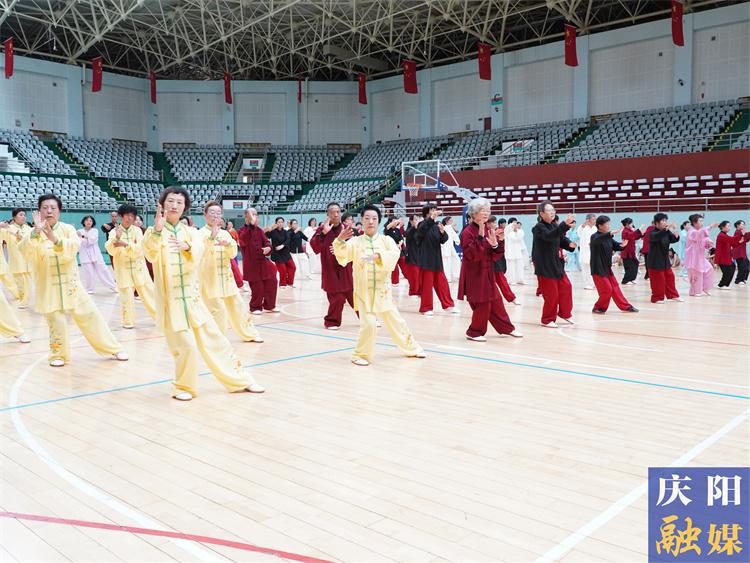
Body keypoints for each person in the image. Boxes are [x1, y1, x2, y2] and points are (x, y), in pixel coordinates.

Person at [143, 187, 264, 400]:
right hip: (171, 302)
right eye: (170, 201)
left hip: (193, 298)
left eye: (179, 202)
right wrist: (158, 231)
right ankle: (183, 387)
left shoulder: (191, 233)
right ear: (162, 205)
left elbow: (198, 253)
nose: (174, 205)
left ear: (185, 208)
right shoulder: (153, 232)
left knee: (215, 339)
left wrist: (187, 247)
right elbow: (150, 254)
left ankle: (240, 380)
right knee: (186, 346)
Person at [22, 195, 128, 367]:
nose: (49, 211)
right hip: (48, 286)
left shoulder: (68, 229)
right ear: (38, 212)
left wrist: (55, 240)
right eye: (45, 208)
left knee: (91, 316)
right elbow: (25, 252)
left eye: (53, 208)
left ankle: (113, 348)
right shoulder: (32, 233)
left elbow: (73, 248)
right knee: (56, 322)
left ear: (59, 211)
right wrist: (35, 233)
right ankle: (58, 354)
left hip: (71, 285)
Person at [332, 204, 426, 366]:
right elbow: (343, 256)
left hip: (383, 291)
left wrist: (378, 256)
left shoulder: (386, 240)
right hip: (363, 292)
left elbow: (394, 254)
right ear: (362, 220)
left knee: (396, 321)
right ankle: (360, 355)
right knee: (369, 324)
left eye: (374, 218)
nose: (370, 221)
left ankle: (412, 348)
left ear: (379, 221)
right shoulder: (355, 242)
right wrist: (339, 241)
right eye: (367, 218)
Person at [198, 201, 263, 343]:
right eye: (212, 212)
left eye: (218, 213)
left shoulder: (225, 233)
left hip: (227, 279)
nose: (215, 215)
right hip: (210, 280)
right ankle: (217, 339)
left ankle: (250, 333)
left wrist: (228, 244)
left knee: (238, 307)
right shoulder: (199, 234)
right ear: (205, 215)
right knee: (218, 310)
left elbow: (233, 253)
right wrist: (211, 238)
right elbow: (199, 253)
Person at [458, 200, 522, 341]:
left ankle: (507, 328)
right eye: (483, 210)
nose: (486, 213)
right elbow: (472, 255)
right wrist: (480, 237)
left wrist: (496, 245)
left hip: (488, 272)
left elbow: (495, 255)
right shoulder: (467, 232)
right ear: (474, 213)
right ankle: (474, 332)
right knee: (483, 303)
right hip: (475, 274)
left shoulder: (488, 230)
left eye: (488, 210)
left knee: (496, 301)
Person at [104, 204, 157, 329]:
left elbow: (140, 249)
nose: (130, 218)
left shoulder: (137, 231)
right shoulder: (113, 232)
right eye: (127, 215)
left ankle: (160, 318)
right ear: (121, 216)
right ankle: (128, 322)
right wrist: (117, 238)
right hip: (123, 269)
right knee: (126, 296)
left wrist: (125, 244)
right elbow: (111, 249)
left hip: (139, 268)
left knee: (149, 294)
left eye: (132, 216)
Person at [310, 202, 354, 330]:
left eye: (338, 212)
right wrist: (324, 233)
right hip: (330, 271)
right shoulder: (322, 230)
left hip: (346, 269)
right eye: (332, 212)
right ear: (328, 214)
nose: (335, 215)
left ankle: (367, 319)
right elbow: (315, 247)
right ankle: (332, 322)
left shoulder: (346, 229)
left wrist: (341, 249)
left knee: (355, 297)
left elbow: (354, 247)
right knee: (337, 298)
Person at [532, 202, 576, 328]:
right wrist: (564, 225)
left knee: (566, 287)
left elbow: (560, 238)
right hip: (545, 264)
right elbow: (549, 236)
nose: (552, 212)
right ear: (541, 214)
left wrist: (569, 244)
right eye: (549, 210)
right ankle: (547, 319)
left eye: (553, 210)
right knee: (552, 294)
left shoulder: (553, 225)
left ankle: (565, 313)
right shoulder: (538, 228)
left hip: (556, 263)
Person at [589, 216, 638, 314]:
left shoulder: (609, 238)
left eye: (609, 224)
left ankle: (626, 306)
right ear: (600, 226)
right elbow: (599, 239)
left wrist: (623, 245)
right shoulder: (595, 236)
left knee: (615, 288)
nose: (609, 226)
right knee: (607, 289)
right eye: (607, 224)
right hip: (598, 269)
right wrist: (610, 234)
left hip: (607, 268)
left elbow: (618, 246)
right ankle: (598, 307)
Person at [415, 204, 457, 316]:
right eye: (432, 210)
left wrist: (443, 232)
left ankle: (448, 305)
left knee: (442, 284)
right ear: (426, 212)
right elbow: (420, 233)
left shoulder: (436, 225)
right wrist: (431, 218)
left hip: (437, 259)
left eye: (435, 209)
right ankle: (426, 308)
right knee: (427, 285)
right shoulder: (422, 224)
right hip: (426, 260)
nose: (434, 211)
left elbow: (443, 240)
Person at [237, 208, 279, 314]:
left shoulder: (259, 230)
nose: (254, 216)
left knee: (272, 281)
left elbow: (267, 242)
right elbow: (244, 241)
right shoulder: (241, 231)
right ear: (246, 216)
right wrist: (250, 225)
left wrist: (268, 248)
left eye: (255, 214)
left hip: (263, 262)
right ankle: (255, 307)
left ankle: (269, 305)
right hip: (251, 264)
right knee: (257, 287)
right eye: (252, 214)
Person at [646, 213, 682, 303]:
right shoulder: (652, 233)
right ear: (656, 223)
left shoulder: (666, 232)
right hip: (655, 261)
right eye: (663, 220)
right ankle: (657, 298)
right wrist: (666, 229)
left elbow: (673, 239)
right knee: (658, 280)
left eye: (666, 220)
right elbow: (658, 236)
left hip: (665, 259)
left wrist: (676, 234)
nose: (665, 222)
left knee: (670, 277)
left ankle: (672, 296)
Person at [77, 215, 117, 294]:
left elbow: (92, 240)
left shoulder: (95, 231)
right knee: (89, 273)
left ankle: (113, 286)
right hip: (85, 255)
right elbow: (79, 241)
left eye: (90, 221)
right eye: (87, 220)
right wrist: (82, 237)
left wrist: (82, 236)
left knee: (104, 270)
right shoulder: (79, 231)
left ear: (93, 223)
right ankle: (89, 289)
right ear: (84, 222)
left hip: (96, 255)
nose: (89, 222)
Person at [0, 208, 31, 307]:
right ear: (14, 217)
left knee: (27, 283)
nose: (23, 217)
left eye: (24, 215)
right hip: (16, 261)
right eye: (20, 215)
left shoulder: (28, 229)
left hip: (28, 260)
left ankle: (24, 300)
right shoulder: (8, 229)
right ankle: (22, 299)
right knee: (19, 282)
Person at [489, 217, 520, 306]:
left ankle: (512, 298)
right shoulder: (487, 233)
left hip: (496, 260)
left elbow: (504, 235)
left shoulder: (499, 231)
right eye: (493, 222)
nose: (494, 224)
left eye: (495, 222)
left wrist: (501, 238)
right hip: (488, 261)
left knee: (502, 280)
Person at [684, 214, 716, 297]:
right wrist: (710, 227)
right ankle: (696, 291)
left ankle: (704, 288)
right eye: (700, 221)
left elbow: (703, 240)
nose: (702, 223)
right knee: (697, 274)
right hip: (693, 258)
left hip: (700, 257)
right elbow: (699, 235)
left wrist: (708, 242)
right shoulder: (692, 231)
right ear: (694, 223)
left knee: (709, 270)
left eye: (702, 221)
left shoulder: (698, 231)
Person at [268, 216, 296, 288]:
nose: (280, 223)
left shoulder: (285, 232)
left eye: (282, 222)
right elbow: (266, 236)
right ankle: (282, 284)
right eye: (279, 222)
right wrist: (271, 228)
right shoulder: (272, 232)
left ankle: (290, 282)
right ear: (276, 223)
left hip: (286, 253)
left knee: (293, 267)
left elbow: (288, 240)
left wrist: (282, 245)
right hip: (277, 254)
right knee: (283, 270)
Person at [715, 220, 743, 290]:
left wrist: (739, 242)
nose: (729, 227)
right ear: (723, 227)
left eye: (730, 226)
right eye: (728, 226)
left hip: (727, 257)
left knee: (732, 268)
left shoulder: (725, 235)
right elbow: (731, 239)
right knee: (727, 272)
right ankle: (722, 285)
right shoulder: (721, 235)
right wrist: (740, 234)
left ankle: (724, 284)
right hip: (722, 258)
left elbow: (733, 244)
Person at [383, 215, 409, 287]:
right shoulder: (387, 230)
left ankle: (408, 276)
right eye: (393, 221)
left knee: (403, 262)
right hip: (391, 251)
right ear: (390, 222)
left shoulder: (397, 230)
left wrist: (399, 244)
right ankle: (395, 282)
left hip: (398, 250)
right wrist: (396, 221)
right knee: (395, 266)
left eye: (396, 221)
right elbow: (388, 227)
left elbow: (401, 239)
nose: (395, 223)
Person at [620, 218, 644, 285]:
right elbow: (630, 235)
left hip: (631, 252)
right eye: (631, 223)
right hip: (626, 252)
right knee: (629, 267)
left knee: (635, 264)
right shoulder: (625, 231)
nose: (632, 224)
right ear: (627, 224)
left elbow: (635, 237)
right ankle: (625, 280)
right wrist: (638, 229)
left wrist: (641, 233)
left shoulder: (630, 230)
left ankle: (631, 279)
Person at [577, 214, 597, 289]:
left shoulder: (595, 228)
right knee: (586, 269)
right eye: (593, 219)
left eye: (595, 219)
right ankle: (587, 284)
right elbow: (579, 233)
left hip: (594, 251)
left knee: (593, 269)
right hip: (585, 252)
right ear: (588, 220)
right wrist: (583, 225)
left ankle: (593, 283)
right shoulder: (583, 228)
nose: (595, 221)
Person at [403, 214, 422, 296]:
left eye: (418, 219)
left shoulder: (420, 230)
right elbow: (409, 234)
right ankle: (414, 291)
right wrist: (415, 227)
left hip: (420, 255)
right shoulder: (409, 231)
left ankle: (420, 291)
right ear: (411, 221)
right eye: (415, 219)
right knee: (414, 275)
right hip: (411, 256)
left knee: (420, 275)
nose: (417, 221)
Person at [440, 216, 461, 283]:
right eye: (450, 220)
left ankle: (456, 275)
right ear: (446, 222)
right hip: (445, 247)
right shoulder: (444, 227)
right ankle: (447, 277)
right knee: (446, 263)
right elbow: (444, 228)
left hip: (451, 247)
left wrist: (457, 241)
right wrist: (451, 226)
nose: (452, 221)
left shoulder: (450, 228)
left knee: (456, 259)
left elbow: (454, 235)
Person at [504, 218, 525, 284]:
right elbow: (512, 238)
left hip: (518, 251)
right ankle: (511, 280)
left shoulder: (520, 231)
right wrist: (513, 228)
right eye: (514, 223)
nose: (515, 224)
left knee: (520, 265)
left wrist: (516, 231)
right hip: (510, 251)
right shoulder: (507, 231)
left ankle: (520, 279)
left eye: (516, 222)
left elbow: (520, 237)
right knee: (511, 266)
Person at [733, 220, 750, 285]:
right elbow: (739, 238)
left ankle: (743, 279)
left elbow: (747, 239)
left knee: (747, 266)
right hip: (738, 253)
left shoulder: (742, 232)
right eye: (742, 224)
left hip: (743, 253)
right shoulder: (737, 232)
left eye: (744, 224)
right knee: (742, 267)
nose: (744, 225)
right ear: (738, 225)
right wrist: (744, 233)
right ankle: (738, 280)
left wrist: (746, 233)